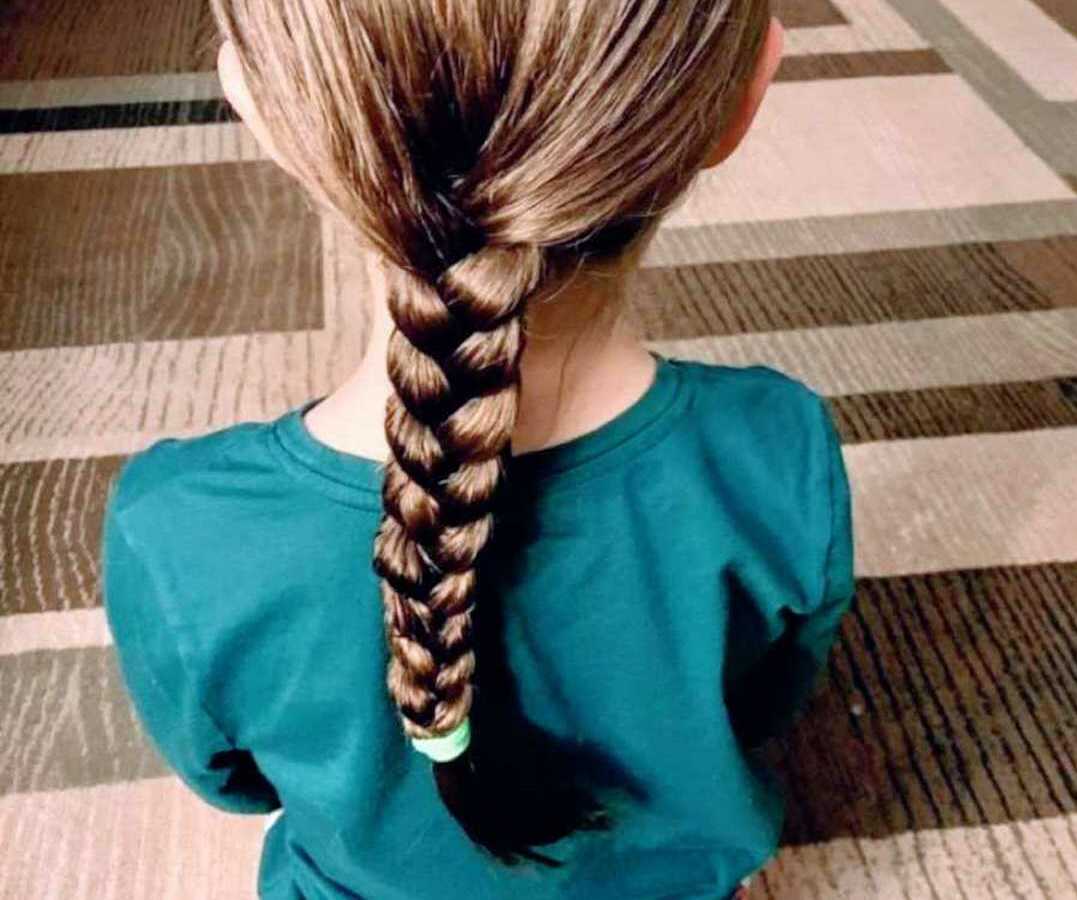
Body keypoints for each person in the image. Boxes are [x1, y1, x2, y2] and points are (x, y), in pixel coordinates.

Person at [100, 2, 855, 897]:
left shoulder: (181, 530)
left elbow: (231, 782)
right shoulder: (780, 449)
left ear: (260, 105)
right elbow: (767, 707)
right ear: (743, 96)